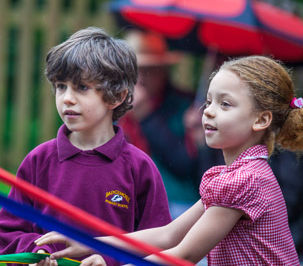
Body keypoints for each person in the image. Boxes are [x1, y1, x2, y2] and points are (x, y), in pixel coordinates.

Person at [36, 55, 302, 265]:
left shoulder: (245, 180)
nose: (208, 112)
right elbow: (169, 234)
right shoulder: (234, 174)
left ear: (261, 120)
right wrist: (91, 243)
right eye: (209, 101)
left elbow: (183, 255)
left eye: (226, 104)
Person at [0, 27, 171, 266]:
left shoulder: (139, 167)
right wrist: (35, 250)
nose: (67, 98)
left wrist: (109, 260)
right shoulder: (39, 160)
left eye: (81, 87)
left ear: (117, 96)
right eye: (61, 86)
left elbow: (160, 244)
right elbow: (7, 231)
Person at [119, 30, 205, 214]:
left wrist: (146, 116)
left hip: (174, 201)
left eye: (147, 70)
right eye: (133, 71)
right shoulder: (115, 105)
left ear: (163, 71)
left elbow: (184, 165)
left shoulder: (186, 106)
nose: (139, 78)